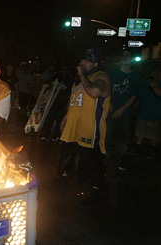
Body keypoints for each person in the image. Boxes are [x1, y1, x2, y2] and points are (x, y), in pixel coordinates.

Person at [57, 48, 111, 208]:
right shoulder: (80, 80)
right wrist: (66, 117)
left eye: (87, 60)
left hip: (91, 128)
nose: (82, 63)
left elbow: (95, 92)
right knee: (67, 154)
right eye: (82, 59)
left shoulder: (101, 77)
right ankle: (63, 180)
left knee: (91, 161)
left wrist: (81, 75)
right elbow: (74, 99)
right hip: (75, 126)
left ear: (95, 63)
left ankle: (97, 193)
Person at [106, 50, 140, 170]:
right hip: (109, 110)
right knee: (106, 136)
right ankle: (106, 161)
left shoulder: (135, 76)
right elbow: (107, 89)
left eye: (128, 55)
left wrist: (121, 110)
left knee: (123, 139)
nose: (125, 57)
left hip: (125, 113)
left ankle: (118, 161)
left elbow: (133, 96)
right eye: (123, 55)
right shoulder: (112, 73)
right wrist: (109, 104)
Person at [127, 69, 161, 160]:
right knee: (140, 132)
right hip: (142, 113)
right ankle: (137, 147)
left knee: (153, 134)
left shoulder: (157, 85)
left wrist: (154, 87)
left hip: (154, 114)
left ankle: (154, 150)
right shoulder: (142, 86)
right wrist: (134, 108)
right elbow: (138, 98)